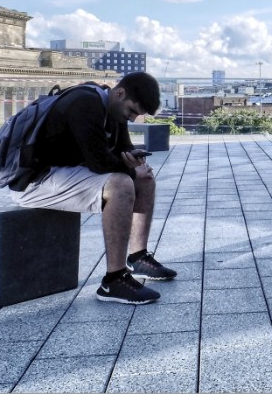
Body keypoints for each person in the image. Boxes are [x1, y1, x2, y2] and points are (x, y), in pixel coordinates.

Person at [12, 71, 176, 305]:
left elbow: (122, 150)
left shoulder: (114, 109)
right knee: (121, 185)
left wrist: (134, 162)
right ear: (119, 93)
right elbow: (99, 162)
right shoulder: (84, 103)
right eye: (131, 111)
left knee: (144, 178)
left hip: (67, 174)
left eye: (136, 115)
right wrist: (128, 170)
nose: (130, 118)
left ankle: (138, 257)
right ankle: (114, 280)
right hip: (36, 181)